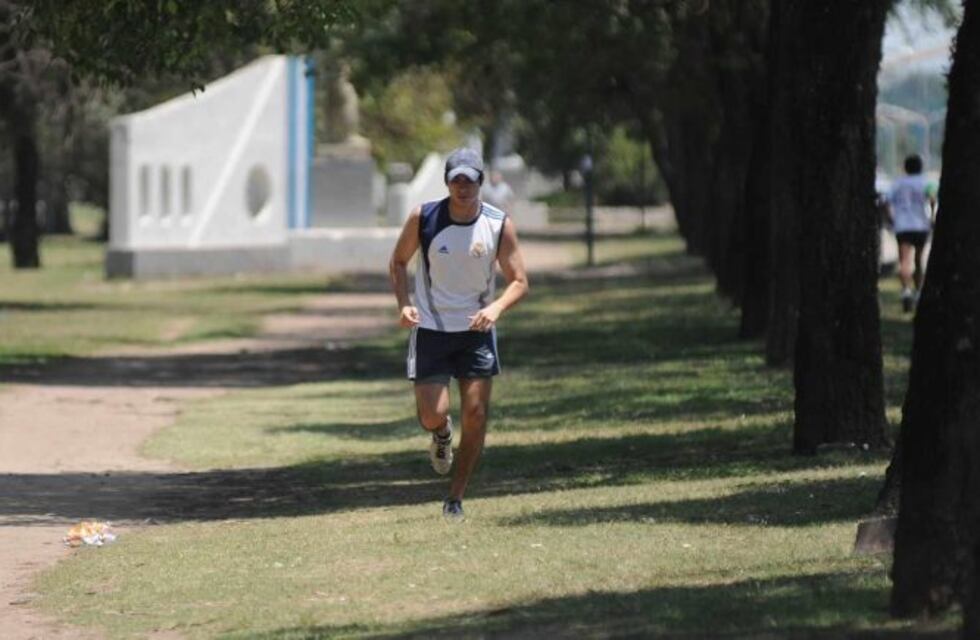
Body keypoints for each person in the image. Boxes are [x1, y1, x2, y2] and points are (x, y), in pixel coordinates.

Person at [388, 147, 529, 521]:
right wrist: (404, 304)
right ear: (448, 183)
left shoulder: (498, 223)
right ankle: (441, 433)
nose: (463, 187)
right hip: (432, 329)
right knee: (431, 415)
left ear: (481, 182)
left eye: (470, 179)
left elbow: (519, 281)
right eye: (456, 180)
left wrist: (495, 308)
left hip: (476, 330)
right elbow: (399, 262)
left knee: (477, 412)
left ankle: (456, 497)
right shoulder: (424, 217)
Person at [886, 154, 937, 313]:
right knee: (919, 260)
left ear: (905, 167)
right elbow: (932, 198)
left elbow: (886, 202)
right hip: (921, 225)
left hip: (902, 226)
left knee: (904, 261)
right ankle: (918, 292)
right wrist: (932, 216)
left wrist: (890, 219)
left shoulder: (897, 183)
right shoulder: (926, 182)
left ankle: (906, 291)